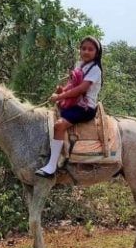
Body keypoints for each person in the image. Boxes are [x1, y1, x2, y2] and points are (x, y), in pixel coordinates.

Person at [35, 36, 103, 179]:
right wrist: (62, 90)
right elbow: (71, 85)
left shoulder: (95, 69)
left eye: (90, 49)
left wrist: (60, 97)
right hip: (74, 104)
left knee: (59, 125)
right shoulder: (80, 65)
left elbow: (81, 90)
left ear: (97, 53)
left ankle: (51, 166)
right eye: (83, 48)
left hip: (85, 108)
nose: (86, 51)